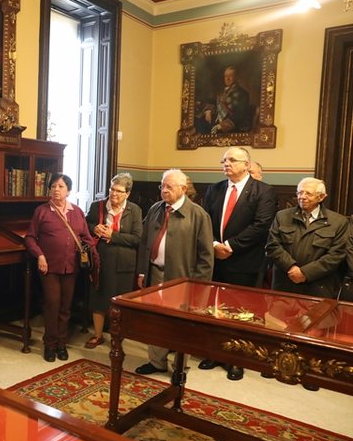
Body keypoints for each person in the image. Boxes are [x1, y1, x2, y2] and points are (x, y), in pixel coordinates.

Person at [199, 147, 277, 381]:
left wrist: (230, 246)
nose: (226, 163)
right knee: (214, 310)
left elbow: (262, 225)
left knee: (241, 314)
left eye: (232, 160)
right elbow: (205, 220)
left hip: (245, 261)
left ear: (246, 164)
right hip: (215, 260)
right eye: (224, 160)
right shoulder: (215, 189)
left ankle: (236, 359)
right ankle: (213, 353)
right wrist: (214, 244)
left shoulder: (263, 191)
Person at [134, 169, 214, 375]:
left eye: (169, 187)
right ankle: (156, 361)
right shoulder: (155, 209)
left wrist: (199, 287)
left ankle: (180, 366)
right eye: (162, 186)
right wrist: (143, 272)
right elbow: (144, 243)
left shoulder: (198, 215)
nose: (164, 190)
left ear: (183, 189)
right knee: (155, 320)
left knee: (180, 325)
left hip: (182, 280)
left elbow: (206, 257)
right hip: (154, 273)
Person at [25, 173, 97, 363]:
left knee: (66, 306)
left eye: (61, 186)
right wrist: (39, 255)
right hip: (49, 266)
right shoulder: (42, 211)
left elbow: (87, 238)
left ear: (69, 191)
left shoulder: (77, 212)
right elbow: (30, 237)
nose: (56, 190)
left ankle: (61, 343)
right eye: (53, 186)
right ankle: (49, 343)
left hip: (71, 267)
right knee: (52, 303)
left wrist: (90, 253)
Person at [84, 173, 142, 349]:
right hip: (100, 259)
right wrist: (94, 228)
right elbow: (84, 225)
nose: (113, 194)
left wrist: (113, 236)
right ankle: (98, 335)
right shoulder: (97, 207)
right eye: (111, 189)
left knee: (120, 302)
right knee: (98, 298)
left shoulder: (135, 210)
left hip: (124, 263)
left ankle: (118, 337)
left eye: (118, 191)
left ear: (128, 194)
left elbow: (137, 238)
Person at [266, 177, 350, 299]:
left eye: (308, 193)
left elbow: (336, 255)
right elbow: (273, 245)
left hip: (318, 285)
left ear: (321, 197)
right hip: (285, 282)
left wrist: (305, 273)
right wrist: (291, 267)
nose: (302, 197)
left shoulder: (338, 222)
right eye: (300, 192)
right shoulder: (282, 216)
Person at [196, 65, 252, 135]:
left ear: (236, 77)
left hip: (234, 127)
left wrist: (221, 126)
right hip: (216, 123)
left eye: (230, 76)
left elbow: (239, 115)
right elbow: (214, 104)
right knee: (198, 122)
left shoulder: (243, 94)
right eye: (226, 76)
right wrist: (208, 110)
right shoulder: (221, 92)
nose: (227, 78)